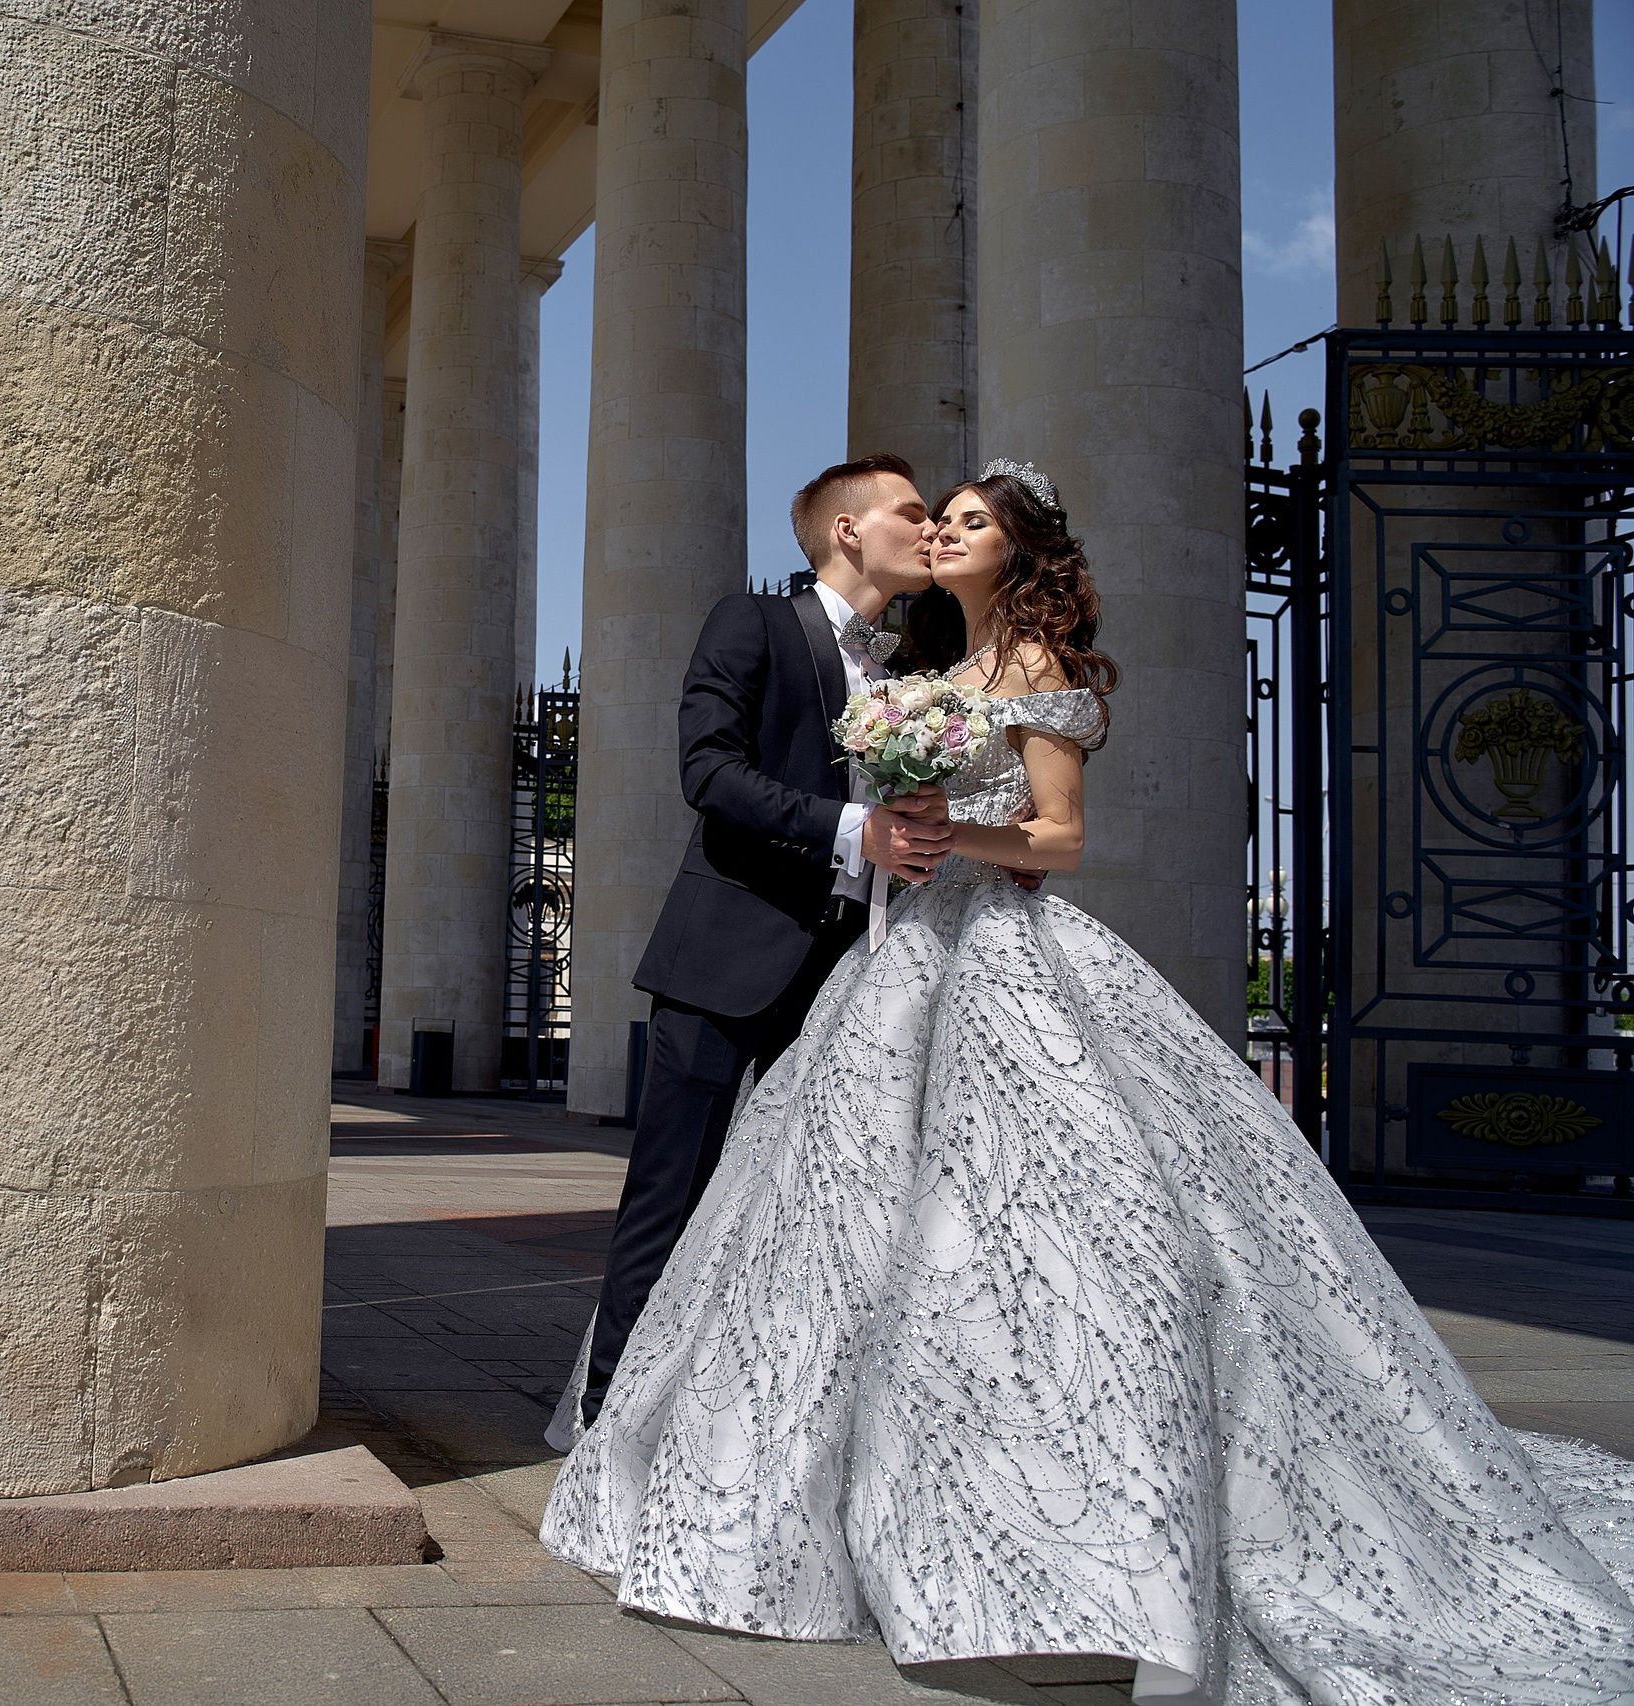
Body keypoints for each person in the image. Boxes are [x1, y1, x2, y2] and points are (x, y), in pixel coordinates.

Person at [541, 463, 1634, 1701]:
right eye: (932, 516)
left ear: (1015, 550)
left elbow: (1058, 839)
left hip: (998, 953)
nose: (941, 530)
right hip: (881, 963)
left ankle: (1065, 1501)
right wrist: (896, 816)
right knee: (812, 1220)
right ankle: (710, 1445)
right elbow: (763, 777)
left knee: (1045, 1221)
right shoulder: (908, 672)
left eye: (964, 520)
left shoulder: (1035, 675)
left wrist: (950, 836)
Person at [555, 453, 956, 1440]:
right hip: (723, 955)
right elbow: (710, 772)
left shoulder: (908, 677)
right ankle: (612, 1429)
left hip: (844, 975)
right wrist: (851, 830)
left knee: (798, 1207)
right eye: (911, 511)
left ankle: (746, 1423)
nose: (930, 527)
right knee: (671, 1195)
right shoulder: (755, 623)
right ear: (847, 530)